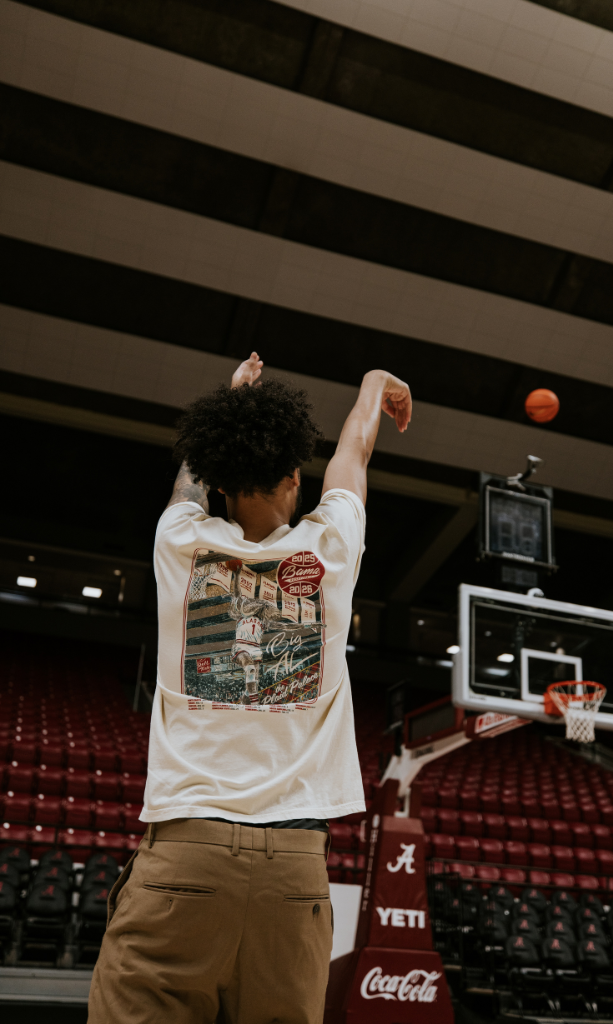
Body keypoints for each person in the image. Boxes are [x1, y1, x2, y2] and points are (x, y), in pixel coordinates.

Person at [89, 353, 413, 1023]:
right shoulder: (330, 549)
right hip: (294, 872)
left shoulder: (178, 541)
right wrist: (372, 386)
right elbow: (353, 456)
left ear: (220, 480)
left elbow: (186, 485)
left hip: (184, 854)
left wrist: (231, 396)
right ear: (296, 478)